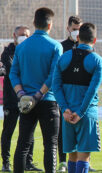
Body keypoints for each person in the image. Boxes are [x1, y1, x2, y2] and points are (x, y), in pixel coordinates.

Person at [9, 7, 62, 173]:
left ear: (34, 23)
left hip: (26, 103)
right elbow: (54, 76)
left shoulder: (21, 47)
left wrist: (21, 94)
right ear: (50, 25)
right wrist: (39, 95)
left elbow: (13, 73)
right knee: (50, 145)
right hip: (48, 101)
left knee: (23, 144)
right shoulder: (55, 46)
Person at [53, 22, 102, 173]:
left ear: (78, 39)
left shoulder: (63, 58)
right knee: (84, 157)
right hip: (86, 115)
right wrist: (80, 112)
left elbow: (56, 86)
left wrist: (65, 109)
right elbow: (92, 90)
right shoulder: (98, 61)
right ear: (94, 40)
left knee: (72, 157)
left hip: (67, 115)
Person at [0, 26, 42, 172]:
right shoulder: (7, 52)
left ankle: (28, 162)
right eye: (22, 35)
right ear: (14, 36)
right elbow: (10, 70)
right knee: (8, 131)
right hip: (11, 99)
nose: (24, 37)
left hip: (28, 99)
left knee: (28, 132)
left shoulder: (31, 51)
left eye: (26, 35)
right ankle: (6, 163)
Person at [58, 15, 83, 172]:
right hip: (66, 96)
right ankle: (62, 162)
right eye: (74, 29)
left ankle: (84, 161)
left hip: (81, 96)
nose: (77, 32)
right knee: (63, 130)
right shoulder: (62, 47)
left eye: (79, 29)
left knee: (82, 129)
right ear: (68, 28)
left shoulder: (85, 47)